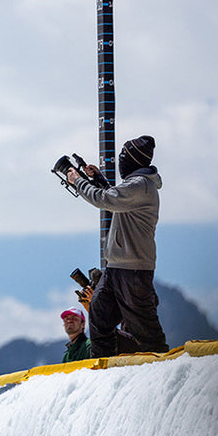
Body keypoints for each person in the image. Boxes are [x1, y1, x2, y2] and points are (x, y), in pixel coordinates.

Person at [67, 135, 168, 358]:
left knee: (146, 331)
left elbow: (105, 200)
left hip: (133, 270)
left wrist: (78, 181)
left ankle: (167, 368)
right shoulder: (138, 186)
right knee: (99, 314)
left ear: (131, 161)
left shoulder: (141, 185)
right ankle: (102, 368)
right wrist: (101, 179)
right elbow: (116, 199)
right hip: (118, 267)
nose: (121, 161)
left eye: (123, 157)